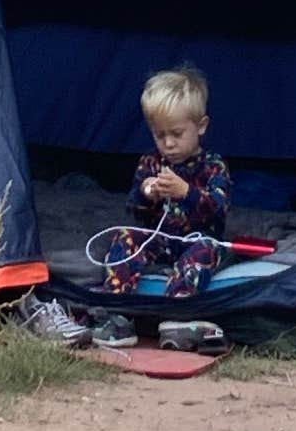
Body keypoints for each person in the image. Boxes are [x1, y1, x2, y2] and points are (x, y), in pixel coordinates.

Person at [88, 65, 231, 303]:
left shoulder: (213, 165)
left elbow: (219, 208)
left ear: (201, 126)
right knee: (126, 236)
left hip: (198, 240)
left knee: (207, 249)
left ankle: (177, 304)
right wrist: (147, 192)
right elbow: (134, 208)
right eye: (159, 135)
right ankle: (115, 303)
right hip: (160, 240)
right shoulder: (151, 162)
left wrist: (186, 193)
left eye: (176, 134)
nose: (168, 143)